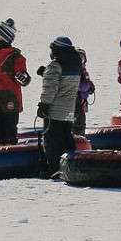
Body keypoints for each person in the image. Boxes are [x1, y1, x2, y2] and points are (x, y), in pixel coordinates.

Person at [34, 36, 85, 175]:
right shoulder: (75, 65)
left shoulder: (55, 65)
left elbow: (51, 87)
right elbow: (64, 84)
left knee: (52, 141)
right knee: (67, 139)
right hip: (68, 111)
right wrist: (46, 72)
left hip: (54, 111)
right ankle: (69, 168)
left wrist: (43, 105)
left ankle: (54, 168)